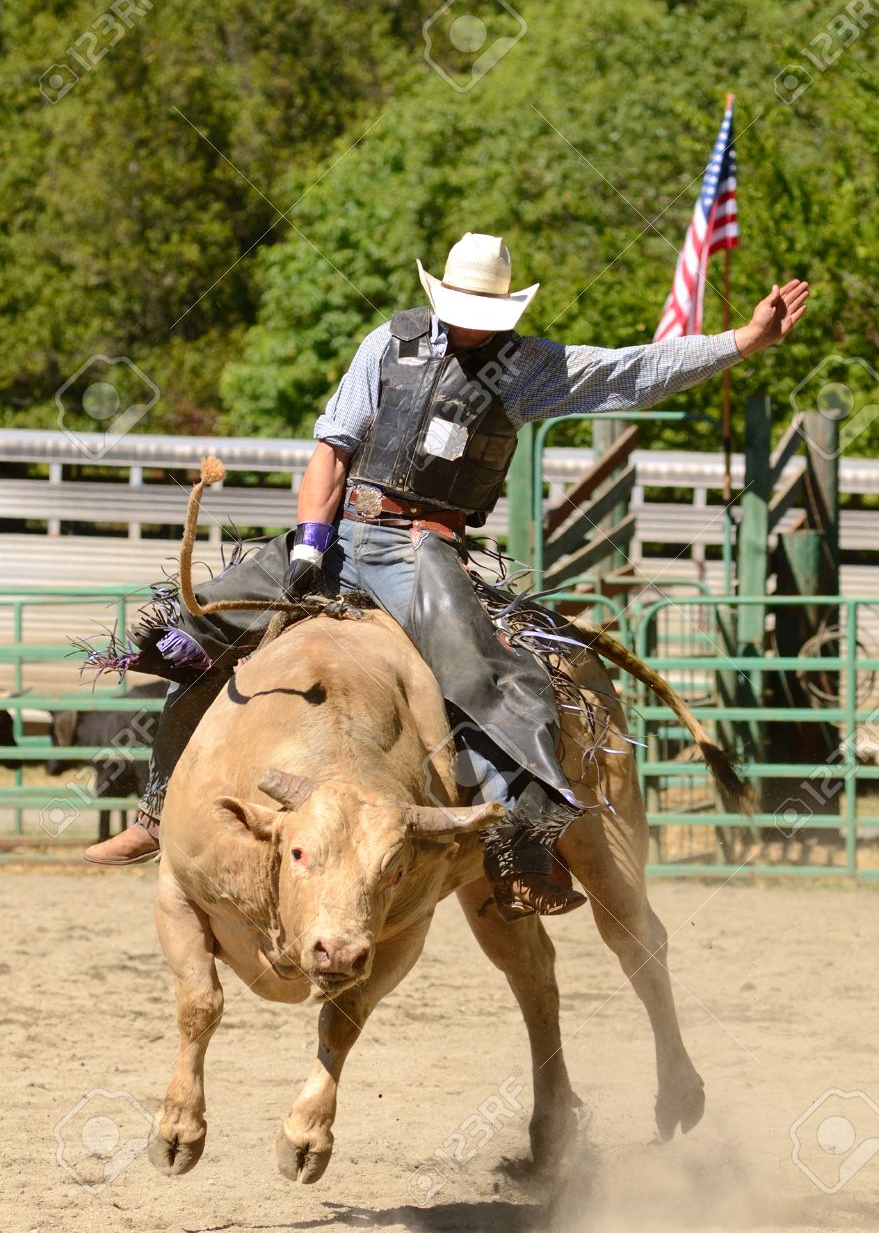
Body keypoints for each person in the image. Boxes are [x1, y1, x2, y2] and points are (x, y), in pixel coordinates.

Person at [84, 233, 809, 916]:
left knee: (492, 678)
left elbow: (630, 372)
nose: (467, 325)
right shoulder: (389, 343)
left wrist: (742, 342)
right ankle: (158, 810)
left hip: (419, 550)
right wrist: (309, 544)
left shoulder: (529, 369)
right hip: (340, 532)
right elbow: (333, 449)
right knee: (195, 629)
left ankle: (520, 844)